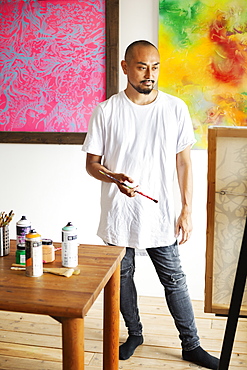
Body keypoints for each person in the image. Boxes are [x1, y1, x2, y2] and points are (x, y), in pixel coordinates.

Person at [82, 40, 219, 370]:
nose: (149, 73)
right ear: (125, 67)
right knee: (123, 278)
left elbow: (184, 163)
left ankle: (192, 345)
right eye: (142, 66)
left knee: (174, 279)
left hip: (160, 213)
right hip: (119, 212)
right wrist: (113, 177)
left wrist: (187, 209)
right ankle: (135, 333)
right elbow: (92, 164)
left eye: (155, 66)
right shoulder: (106, 110)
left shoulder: (175, 108)